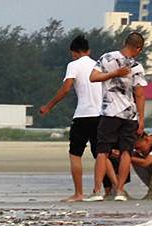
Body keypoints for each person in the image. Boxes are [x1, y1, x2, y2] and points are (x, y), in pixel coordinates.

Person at [39, 35, 116, 201]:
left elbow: (66, 89)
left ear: (73, 53)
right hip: (100, 115)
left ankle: (79, 193)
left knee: (75, 154)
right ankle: (115, 189)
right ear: (89, 51)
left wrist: (48, 106)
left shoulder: (73, 65)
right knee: (101, 155)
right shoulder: (99, 65)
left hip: (82, 115)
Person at [86, 32, 148, 202]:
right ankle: (119, 190)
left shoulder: (107, 58)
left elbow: (93, 77)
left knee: (102, 151)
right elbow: (140, 94)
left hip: (110, 112)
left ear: (124, 43)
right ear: (138, 48)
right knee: (125, 152)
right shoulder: (136, 66)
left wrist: (111, 75)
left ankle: (98, 190)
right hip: (128, 113)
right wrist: (142, 119)